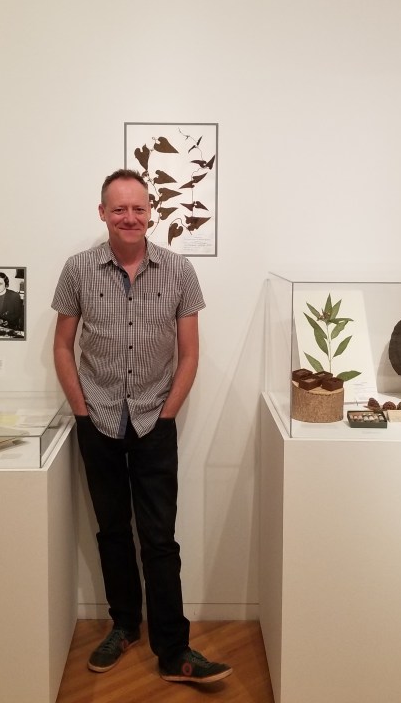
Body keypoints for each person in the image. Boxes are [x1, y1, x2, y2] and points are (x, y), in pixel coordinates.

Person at [51, 169, 232, 685]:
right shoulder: (78, 269)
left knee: (159, 539)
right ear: (103, 213)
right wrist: (82, 409)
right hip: (98, 418)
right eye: (118, 209)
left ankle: (175, 650)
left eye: (137, 208)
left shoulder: (178, 270)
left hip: (156, 419)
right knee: (111, 532)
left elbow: (191, 352)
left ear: (151, 211)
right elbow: (63, 346)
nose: (129, 217)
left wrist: (168, 412)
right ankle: (123, 625)